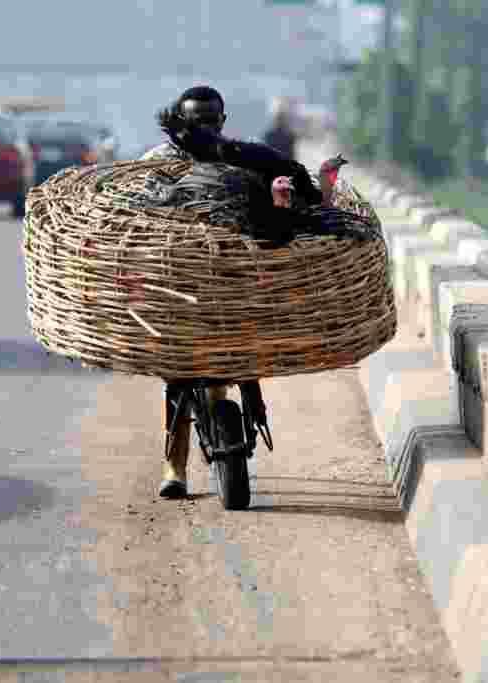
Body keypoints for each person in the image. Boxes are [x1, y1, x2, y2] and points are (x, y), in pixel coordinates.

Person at [139, 85, 320, 499]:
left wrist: (283, 202)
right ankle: (174, 467)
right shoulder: (158, 164)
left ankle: (247, 409)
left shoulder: (246, 159)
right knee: (179, 375)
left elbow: (285, 214)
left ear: (222, 122)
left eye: (211, 122)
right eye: (197, 123)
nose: (206, 129)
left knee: (236, 354)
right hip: (183, 281)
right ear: (183, 125)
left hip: (236, 280)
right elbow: (141, 216)